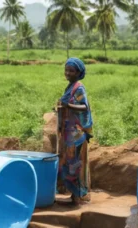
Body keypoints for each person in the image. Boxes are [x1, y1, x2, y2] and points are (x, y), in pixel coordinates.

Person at [56, 58, 93, 205]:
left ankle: (77, 198)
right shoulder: (70, 86)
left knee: (74, 163)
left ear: (79, 72)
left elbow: (84, 107)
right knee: (69, 162)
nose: (67, 73)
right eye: (66, 70)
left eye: (71, 71)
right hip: (69, 131)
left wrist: (68, 105)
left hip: (76, 133)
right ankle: (73, 196)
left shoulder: (79, 88)